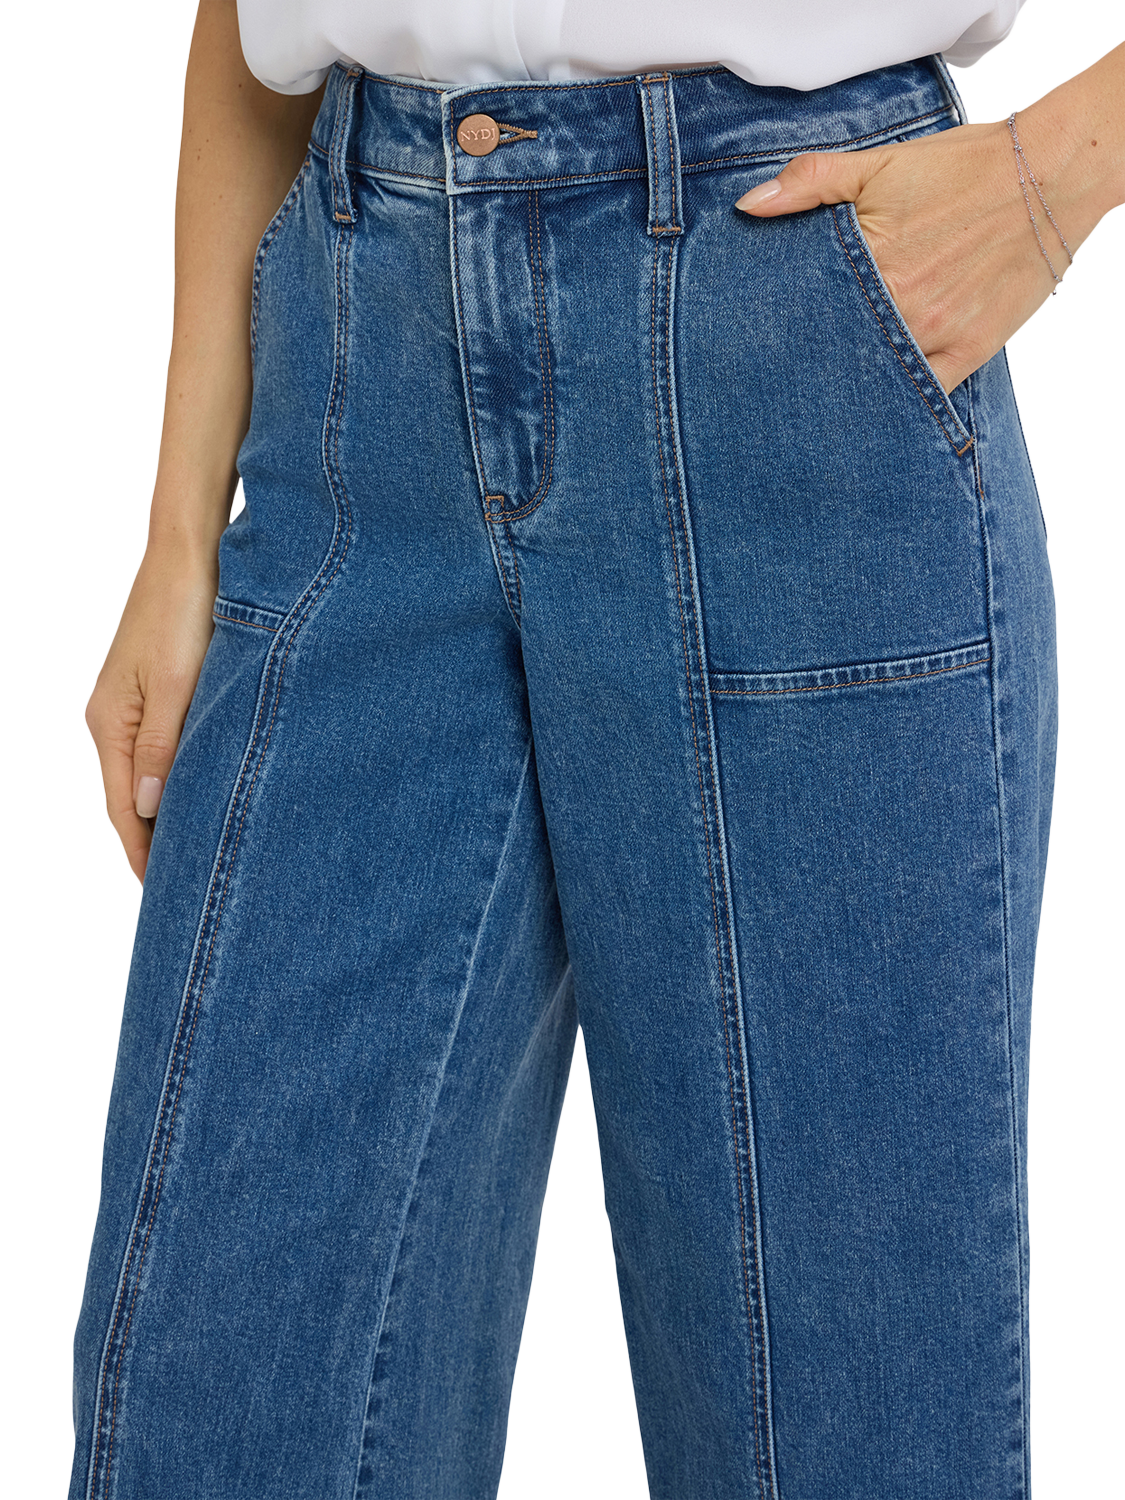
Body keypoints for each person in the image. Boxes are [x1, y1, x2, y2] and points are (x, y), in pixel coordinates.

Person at [72, 2, 1124, 1496]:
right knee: (218, 1407)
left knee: (832, 1429)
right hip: (358, 386)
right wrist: (180, 532)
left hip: (789, 337)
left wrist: (1055, 175)